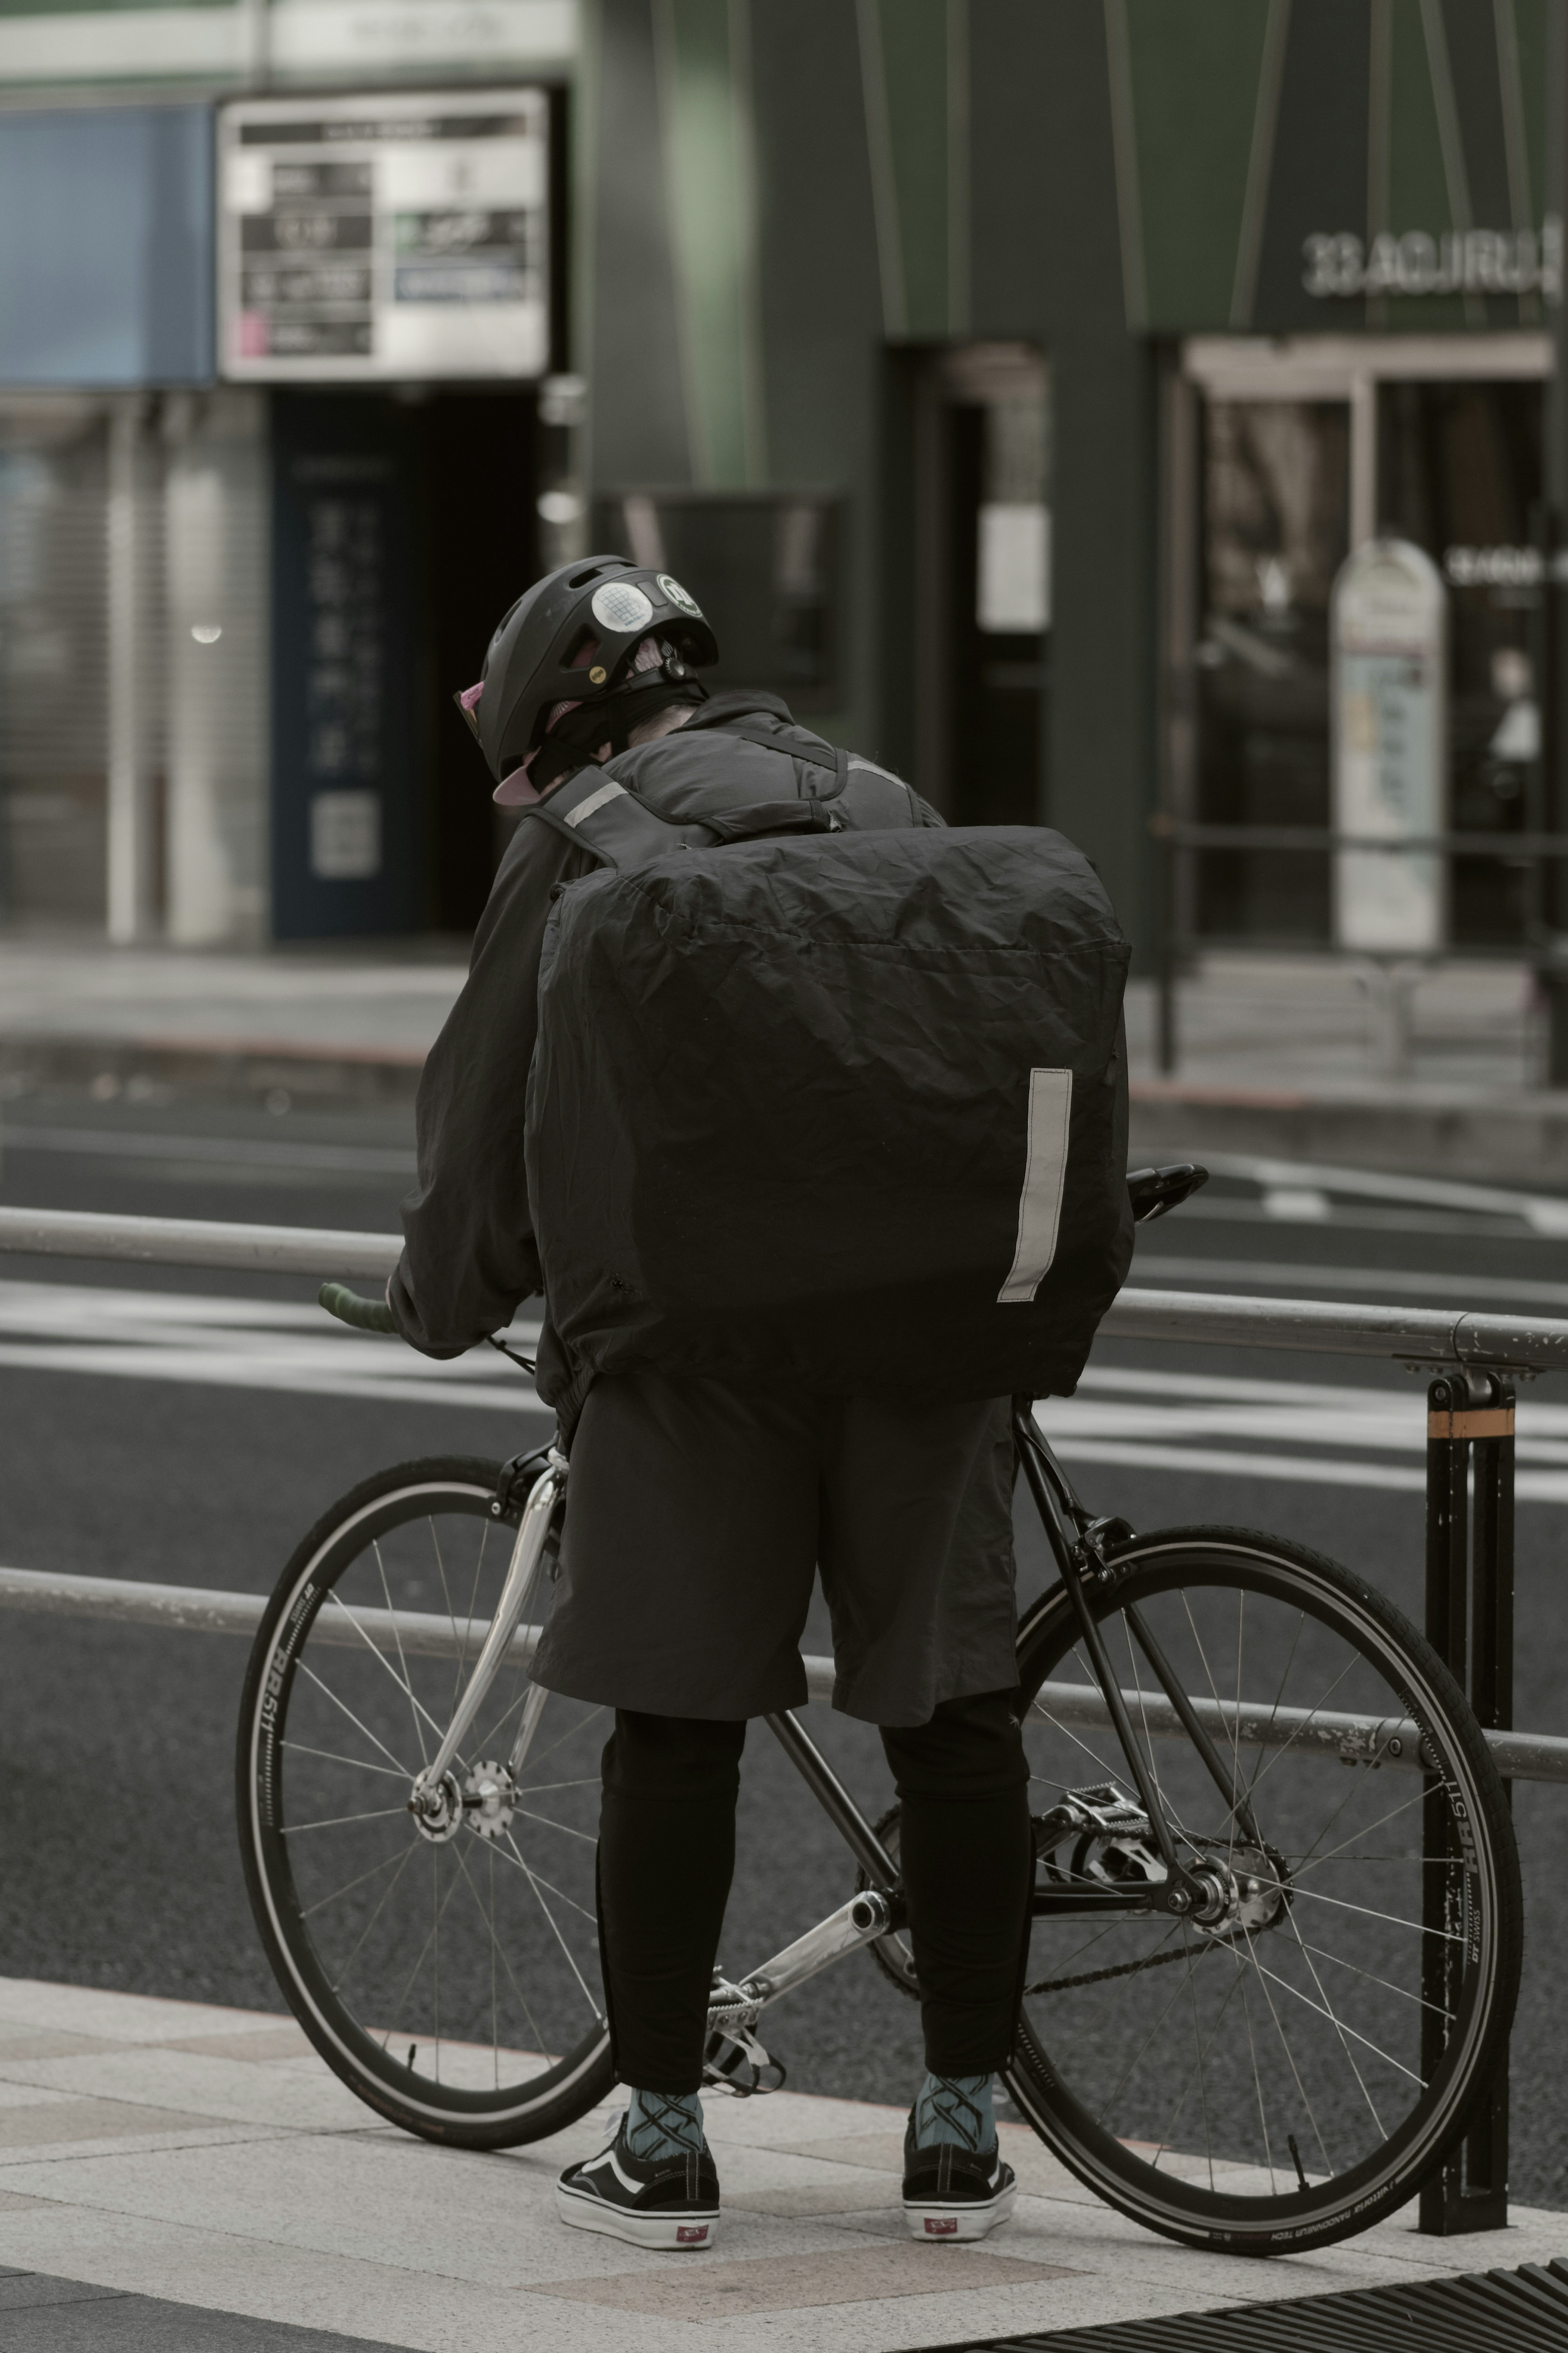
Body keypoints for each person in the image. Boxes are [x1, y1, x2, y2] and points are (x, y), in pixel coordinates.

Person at [389, 556, 1033, 2252]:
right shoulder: (889, 798)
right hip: (918, 1338)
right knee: (953, 1717)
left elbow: (484, 1121)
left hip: (688, 1357)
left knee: (675, 1728)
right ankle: (961, 2129)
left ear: (550, 715)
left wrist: (447, 1298)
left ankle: (664, 2137)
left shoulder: (579, 836)